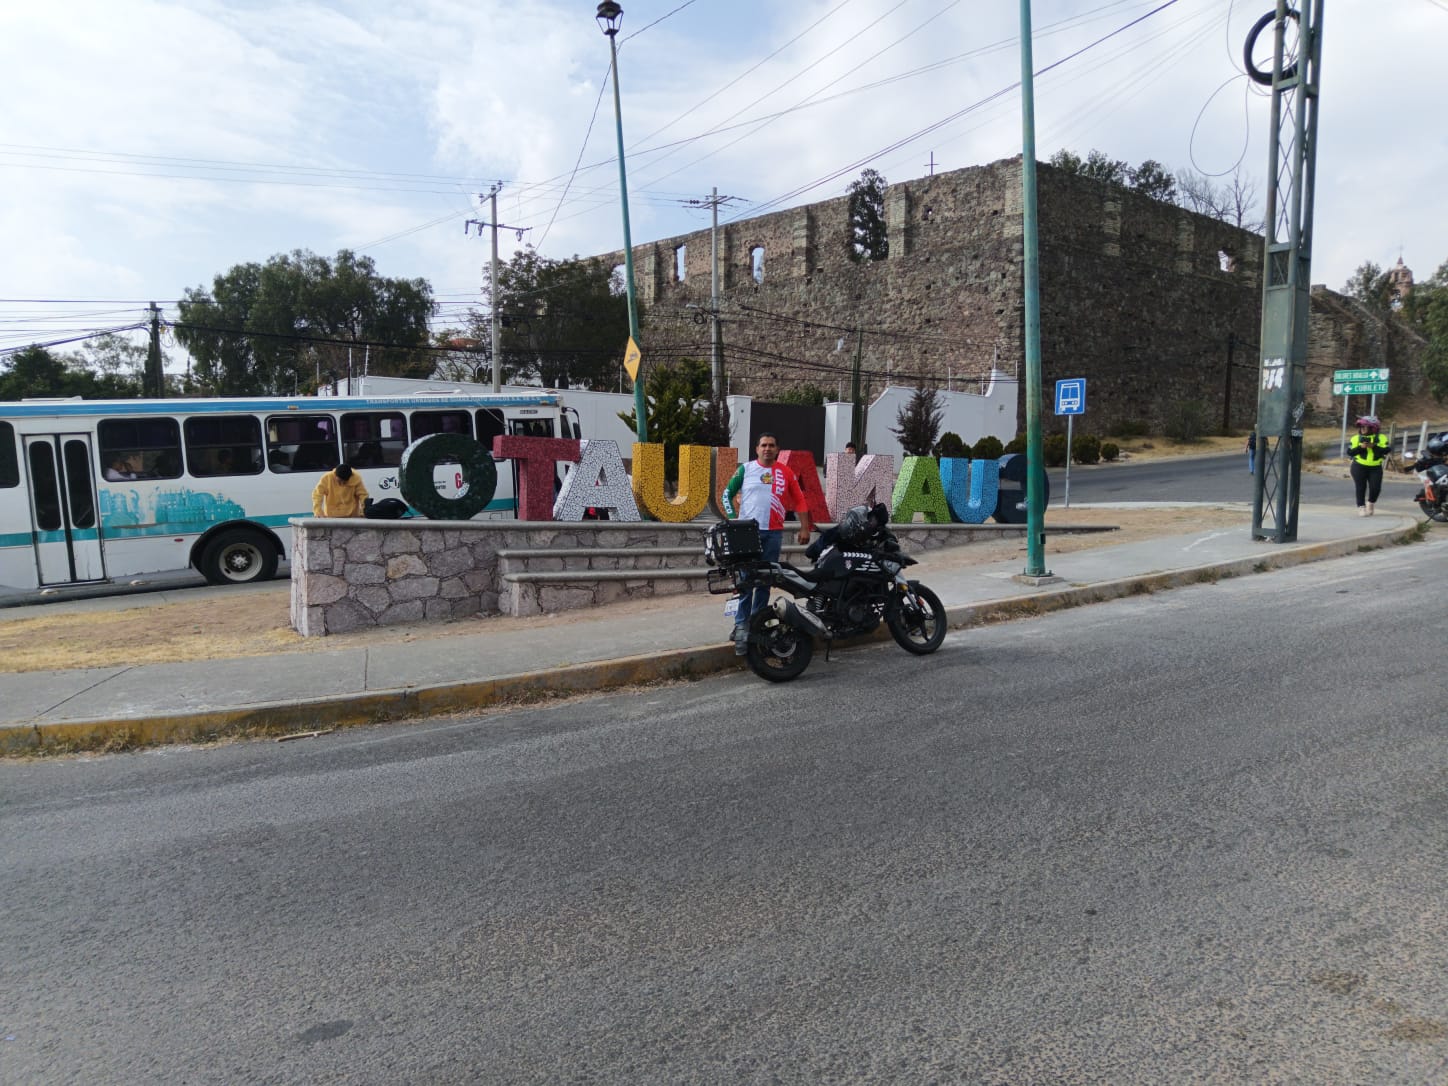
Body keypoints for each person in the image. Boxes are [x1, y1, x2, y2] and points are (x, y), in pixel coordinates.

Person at [722, 433, 814, 654]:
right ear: (757, 449)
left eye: (772, 445)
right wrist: (734, 520)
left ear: (777, 449)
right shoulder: (746, 469)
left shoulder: (786, 472)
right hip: (748, 534)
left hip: (773, 533)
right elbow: (727, 493)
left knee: (764, 581)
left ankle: (757, 623)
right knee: (745, 581)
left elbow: (800, 499)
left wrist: (804, 527)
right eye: (764, 445)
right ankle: (741, 625)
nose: (767, 449)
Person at [1348, 414, 1389, 516]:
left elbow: (1387, 450)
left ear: (1373, 428)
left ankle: (1371, 503)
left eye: (1364, 427)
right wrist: (1361, 447)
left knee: (1376, 488)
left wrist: (1374, 446)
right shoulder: (1355, 438)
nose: (1362, 429)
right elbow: (1350, 452)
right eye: (1361, 427)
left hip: (1375, 467)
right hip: (1359, 466)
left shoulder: (1381, 438)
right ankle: (1361, 507)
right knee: (1360, 487)